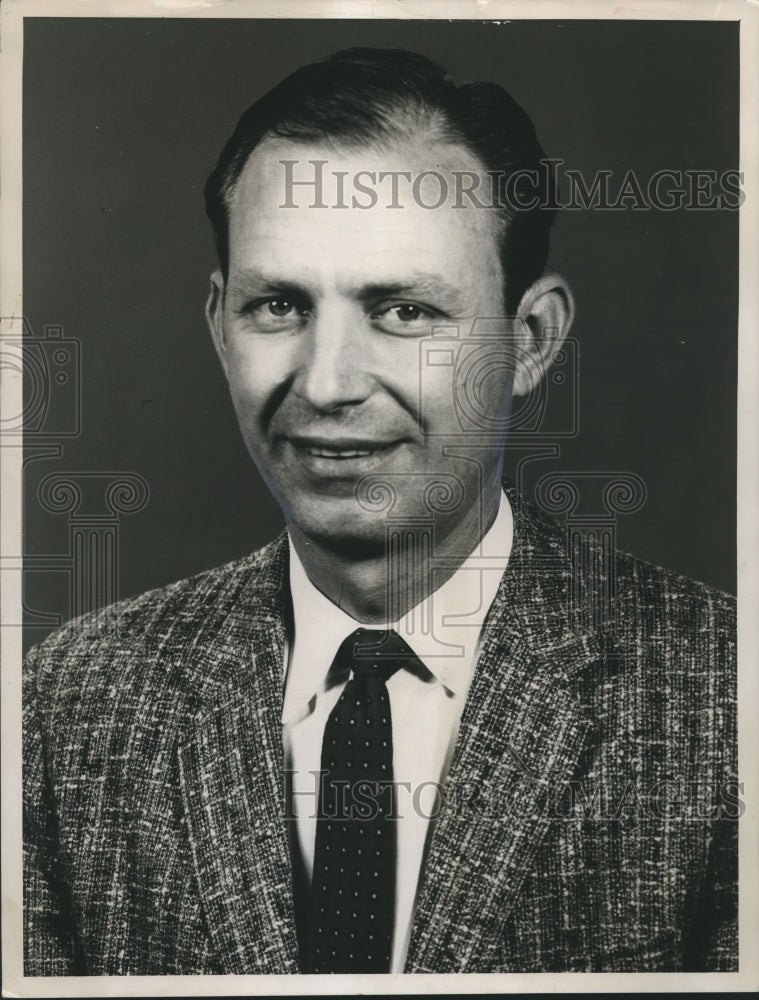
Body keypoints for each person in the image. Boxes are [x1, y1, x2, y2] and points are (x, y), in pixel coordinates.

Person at [23, 47, 737, 975]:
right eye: (277, 305)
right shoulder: (65, 702)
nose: (326, 385)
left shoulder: (726, 700)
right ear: (217, 324)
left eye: (402, 312)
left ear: (528, 342)